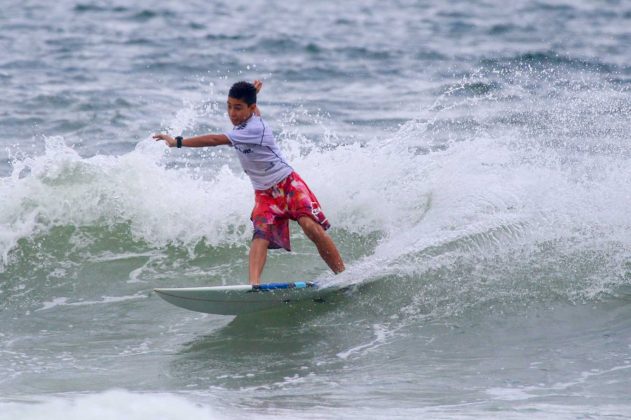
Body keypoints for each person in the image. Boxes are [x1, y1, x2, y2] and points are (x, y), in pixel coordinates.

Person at [153, 80, 345, 285]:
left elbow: (214, 140)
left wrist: (177, 142)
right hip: (264, 193)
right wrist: (254, 96)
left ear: (250, 109)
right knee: (260, 234)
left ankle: (343, 275)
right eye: (228, 106)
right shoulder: (248, 120)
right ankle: (254, 285)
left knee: (310, 226)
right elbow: (252, 112)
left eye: (238, 108)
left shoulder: (254, 128)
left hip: (287, 184)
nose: (231, 113)